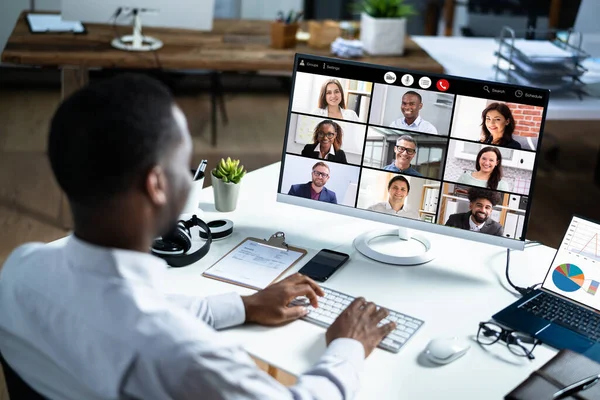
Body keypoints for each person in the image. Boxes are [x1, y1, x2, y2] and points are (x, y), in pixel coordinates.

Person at [0, 74, 396, 400]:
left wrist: (245, 305)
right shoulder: (179, 357)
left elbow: (128, 307)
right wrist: (350, 345)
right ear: (157, 184)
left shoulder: (20, 269)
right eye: (183, 162)